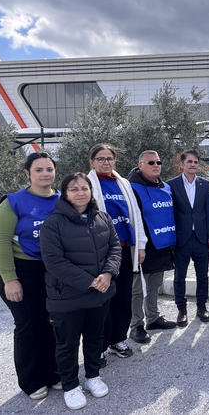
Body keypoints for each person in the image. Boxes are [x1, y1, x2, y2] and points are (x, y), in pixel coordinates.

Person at [40, 172, 121, 410]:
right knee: (67, 344)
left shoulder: (103, 218)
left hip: (100, 294)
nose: (80, 193)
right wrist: (90, 281)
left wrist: (108, 274)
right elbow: (54, 261)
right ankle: (70, 386)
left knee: (95, 338)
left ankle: (92, 376)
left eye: (84, 188)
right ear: (65, 194)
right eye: (74, 189)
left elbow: (115, 248)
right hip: (68, 296)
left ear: (91, 191)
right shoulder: (53, 224)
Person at [0, 151, 61, 401]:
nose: (45, 174)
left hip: (53, 271)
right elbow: (0, 243)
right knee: (29, 327)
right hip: (23, 271)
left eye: (49, 169)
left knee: (53, 324)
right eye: (39, 170)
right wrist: (10, 279)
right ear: (27, 173)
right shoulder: (13, 202)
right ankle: (31, 380)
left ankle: (53, 372)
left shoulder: (63, 200)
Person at [86, 144, 146, 362]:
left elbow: (135, 214)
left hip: (124, 248)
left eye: (109, 158)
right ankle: (99, 345)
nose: (106, 162)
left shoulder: (124, 183)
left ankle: (117, 339)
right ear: (91, 162)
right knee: (102, 299)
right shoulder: (87, 184)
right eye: (100, 158)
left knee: (122, 296)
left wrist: (141, 245)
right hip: (100, 251)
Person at [126, 150, 178, 345]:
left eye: (158, 162)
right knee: (138, 289)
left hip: (162, 245)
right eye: (151, 162)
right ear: (140, 165)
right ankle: (136, 325)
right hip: (142, 248)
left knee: (155, 285)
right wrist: (138, 246)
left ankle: (153, 318)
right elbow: (133, 220)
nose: (156, 165)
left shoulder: (165, 187)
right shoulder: (132, 188)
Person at [166, 150, 209, 326]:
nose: (193, 164)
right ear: (182, 164)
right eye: (189, 162)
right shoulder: (171, 184)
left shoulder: (205, 184)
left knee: (203, 275)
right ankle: (182, 310)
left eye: (195, 162)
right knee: (180, 276)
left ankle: (202, 307)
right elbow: (169, 212)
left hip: (201, 238)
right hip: (181, 239)